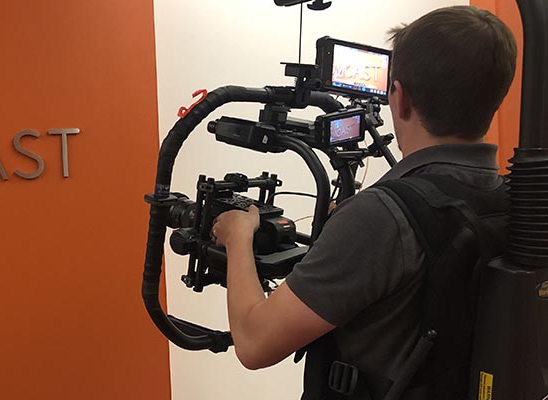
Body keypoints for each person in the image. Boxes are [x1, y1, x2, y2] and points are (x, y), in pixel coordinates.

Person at [210, 5, 517, 398]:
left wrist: (238, 237)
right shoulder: (513, 201)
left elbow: (254, 343)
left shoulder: (380, 219)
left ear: (400, 99)